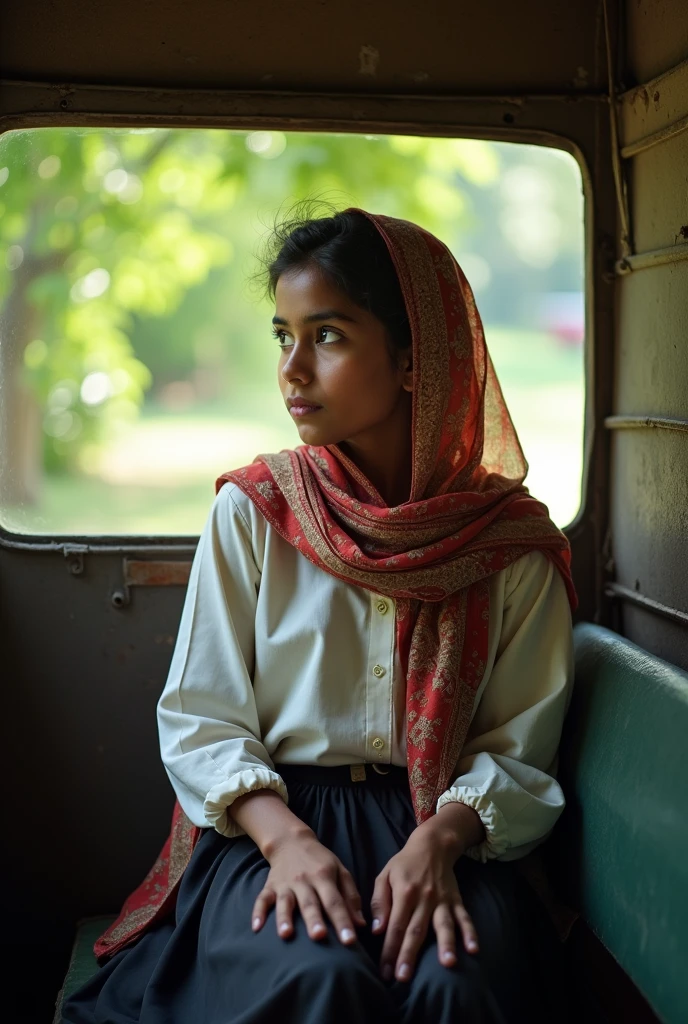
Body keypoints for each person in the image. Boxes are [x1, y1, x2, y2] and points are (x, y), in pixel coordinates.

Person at [63, 206, 577, 1024]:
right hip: (274, 824)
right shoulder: (256, 512)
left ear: (416, 360)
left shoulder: (506, 546)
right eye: (283, 337)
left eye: (328, 335)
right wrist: (287, 843)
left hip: (442, 828)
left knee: (452, 984)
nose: (292, 370)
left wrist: (439, 845)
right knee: (317, 979)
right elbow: (201, 719)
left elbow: (520, 751)